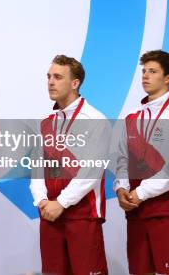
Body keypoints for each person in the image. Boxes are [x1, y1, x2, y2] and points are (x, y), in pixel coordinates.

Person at [114, 50, 169, 275]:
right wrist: (121, 187)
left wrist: (140, 193)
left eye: (152, 71)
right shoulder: (132, 116)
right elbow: (122, 158)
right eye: (143, 71)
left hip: (167, 210)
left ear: (168, 78)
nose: (145, 76)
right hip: (135, 211)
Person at [29, 55, 110, 275]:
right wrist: (42, 200)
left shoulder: (95, 120)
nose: (50, 82)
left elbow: (92, 171)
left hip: (82, 215)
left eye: (57, 77)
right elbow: (36, 169)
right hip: (50, 215)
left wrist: (62, 203)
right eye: (48, 77)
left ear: (75, 83)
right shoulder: (46, 123)